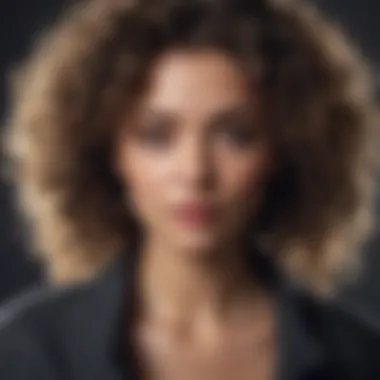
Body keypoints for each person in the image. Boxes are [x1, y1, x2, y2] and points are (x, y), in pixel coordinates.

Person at [0, 0, 379, 379]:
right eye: (157, 136)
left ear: (282, 151)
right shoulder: (28, 350)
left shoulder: (360, 358)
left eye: (236, 135)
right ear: (109, 153)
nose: (196, 172)